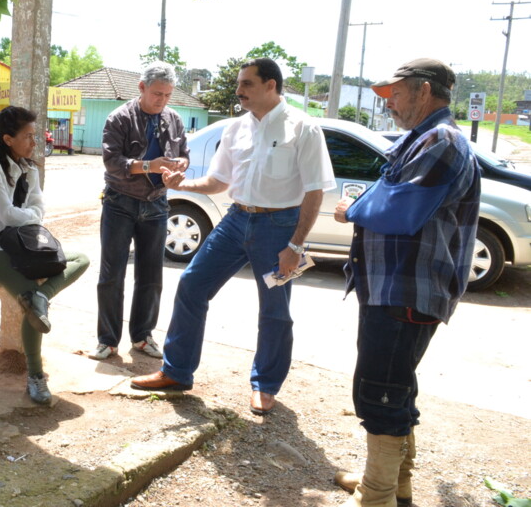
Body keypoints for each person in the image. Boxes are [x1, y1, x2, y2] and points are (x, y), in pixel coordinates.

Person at [131, 58, 336, 416]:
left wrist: (296, 245)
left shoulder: (303, 128)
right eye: (240, 84)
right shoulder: (236, 128)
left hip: (279, 228)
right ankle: (177, 372)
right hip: (236, 219)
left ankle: (266, 385)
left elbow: (315, 192)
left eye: (247, 84)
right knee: (192, 284)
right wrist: (184, 184)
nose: (239, 91)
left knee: (275, 309)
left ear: (271, 85)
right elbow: (219, 182)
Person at [330, 59, 480, 507]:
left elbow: (400, 209)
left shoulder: (441, 139)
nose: (389, 103)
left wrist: (351, 211)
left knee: (380, 390)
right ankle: (395, 483)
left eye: (396, 93)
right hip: (396, 285)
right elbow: (386, 192)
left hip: (408, 286)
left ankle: (375, 496)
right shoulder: (423, 138)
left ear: (425, 91)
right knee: (396, 383)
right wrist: (364, 203)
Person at [0, 106, 90, 404]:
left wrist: (31, 215)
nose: (35, 142)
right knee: (33, 310)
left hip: (21, 245)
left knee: (80, 259)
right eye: (29, 136)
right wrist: (31, 215)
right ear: (8, 139)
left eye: (35, 136)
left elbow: (38, 207)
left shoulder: (27, 167)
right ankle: (35, 377)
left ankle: (41, 296)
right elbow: (7, 215)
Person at [90, 61, 190, 361]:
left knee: (151, 275)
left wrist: (180, 166)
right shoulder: (119, 118)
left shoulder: (173, 119)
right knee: (112, 274)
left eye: (168, 95)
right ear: (142, 88)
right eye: (158, 93)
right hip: (120, 202)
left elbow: (183, 153)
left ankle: (143, 336)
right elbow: (112, 163)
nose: (162, 100)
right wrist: (150, 165)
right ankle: (107, 341)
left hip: (157, 203)